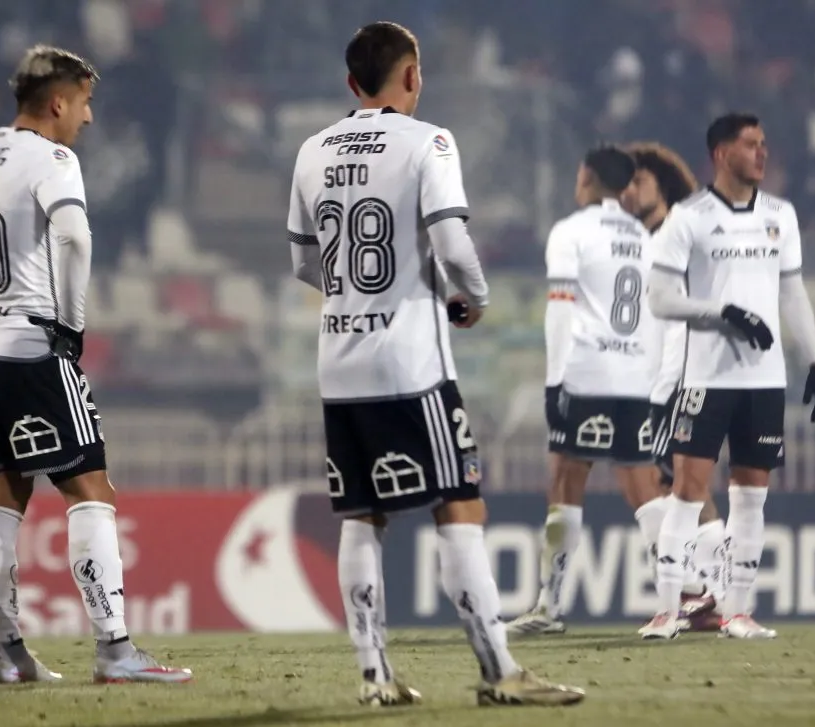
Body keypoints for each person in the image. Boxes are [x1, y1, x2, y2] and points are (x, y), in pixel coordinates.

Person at [286, 22, 583, 708]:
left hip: (339, 361)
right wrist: (470, 298)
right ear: (412, 76)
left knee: (363, 515)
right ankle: (499, 669)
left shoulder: (312, 150)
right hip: (410, 363)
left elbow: (305, 261)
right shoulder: (429, 142)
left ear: (350, 84)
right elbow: (452, 241)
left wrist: (355, 295)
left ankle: (375, 675)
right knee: (458, 501)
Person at [0, 45, 190, 684]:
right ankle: (115, 651)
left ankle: (9, 656)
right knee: (91, 491)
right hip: (34, 346)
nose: (89, 120)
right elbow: (74, 236)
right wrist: (69, 325)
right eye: (86, 104)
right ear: (58, 103)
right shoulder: (53, 158)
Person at [641, 113, 815, 640]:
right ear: (721, 154)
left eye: (765, 144)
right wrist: (721, 312)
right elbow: (659, 298)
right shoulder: (689, 217)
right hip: (705, 378)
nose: (762, 153)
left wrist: (814, 361)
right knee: (687, 492)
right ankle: (666, 611)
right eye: (751, 145)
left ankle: (738, 612)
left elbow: (792, 291)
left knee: (751, 498)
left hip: (764, 382)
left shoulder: (780, 215)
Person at [506, 146, 662, 636]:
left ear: (588, 177)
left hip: (589, 373)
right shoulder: (644, 237)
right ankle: (677, 600)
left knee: (565, 481)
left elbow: (560, 310)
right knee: (644, 489)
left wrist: (555, 382)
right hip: (637, 378)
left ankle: (550, 606)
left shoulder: (571, 231)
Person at [623, 142, 724, 632]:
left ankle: (713, 593)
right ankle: (701, 593)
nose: (628, 191)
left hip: (679, 377)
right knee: (673, 482)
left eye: (638, 181)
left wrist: (677, 380)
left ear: (662, 188)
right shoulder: (640, 241)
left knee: (681, 482)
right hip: (653, 380)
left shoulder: (676, 238)